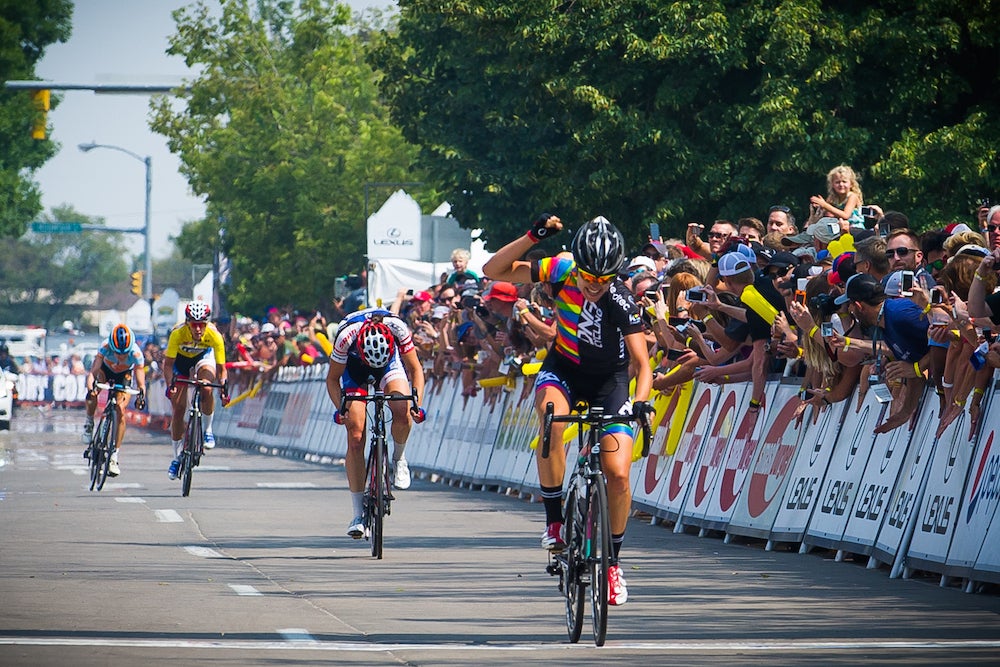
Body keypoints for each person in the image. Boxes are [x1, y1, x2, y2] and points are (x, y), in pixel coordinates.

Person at [482, 213, 653, 607]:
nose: (594, 286)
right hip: (563, 370)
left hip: (609, 384)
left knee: (618, 474)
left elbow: (642, 364)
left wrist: (641, 401)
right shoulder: (559, 269)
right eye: (588, 278)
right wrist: (533, 235)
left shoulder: (621, 299)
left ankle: (612, 564)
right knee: (551, 420)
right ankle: (555, 521)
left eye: (603, 279)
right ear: (577, 265)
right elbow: (495, 270)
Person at [325, 308, 426, 539]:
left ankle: (399, 458)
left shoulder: (397, 328)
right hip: (354, 369)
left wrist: (416, 405)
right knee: (356, 434)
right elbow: (332, 379)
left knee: (402, 409)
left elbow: (415, 369)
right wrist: (340, 408)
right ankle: (358, 513)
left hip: (389, 364)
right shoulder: (346, 336)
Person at [163, 301, 230, 480]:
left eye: (202, 325)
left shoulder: (214, 335)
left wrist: (224, 389)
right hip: (180, 362)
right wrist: (171, 385)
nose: (199, 329)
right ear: (187, 323)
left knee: (207, 388)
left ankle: (208, 430)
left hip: (203, 358)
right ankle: (177, 458)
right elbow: (168, 365)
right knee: (178, 410)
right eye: (195, 325)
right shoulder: (177, 334)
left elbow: (222, 369)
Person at [81, 324, 147, 477]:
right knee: (93, 394)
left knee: (120, 409)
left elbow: (140, 378)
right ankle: (89, 422)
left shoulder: (136, 353)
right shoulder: (105, 346)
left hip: (124, 375)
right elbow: (93, 372)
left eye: (124, 354)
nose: (120, 356)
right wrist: (91, 387)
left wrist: (141, 392)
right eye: (117, 353)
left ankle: (114, 456)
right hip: (105, 370)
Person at [809, 165, 863, 230]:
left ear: (851, 184)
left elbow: (846, 215)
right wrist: (821, 207)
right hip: (839, 229)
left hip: (855, 228)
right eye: (837, 182)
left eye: (844, 181)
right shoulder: (832, 198)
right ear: (832, 184)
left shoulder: (852, 196)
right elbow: (828, 215)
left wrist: (825, 205)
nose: (841, 184)